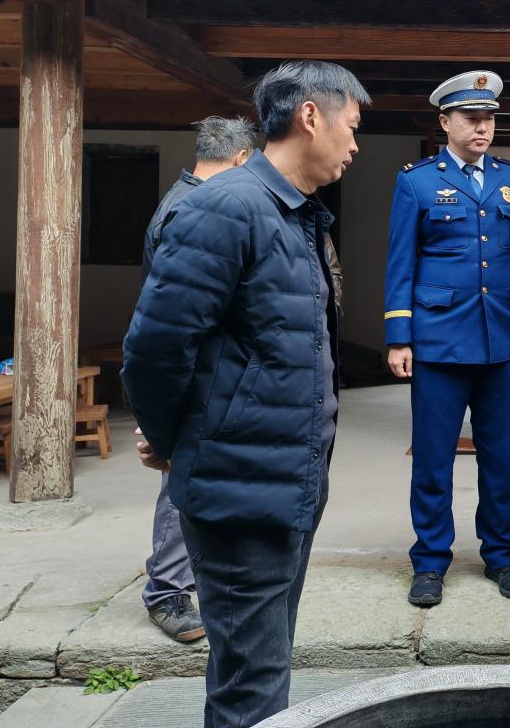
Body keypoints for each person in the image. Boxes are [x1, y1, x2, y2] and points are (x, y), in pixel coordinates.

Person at [122, 61, 369, 727]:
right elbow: (155, 348)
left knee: (264, 664)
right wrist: (172, 441)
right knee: (250, 686)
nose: (355, 144)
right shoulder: (226, 207)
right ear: (310, 116)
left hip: (285, 482)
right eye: (350, 126)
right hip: (239, 489)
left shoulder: (296, 214)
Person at [384, 70, 510, 608]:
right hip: (437, 342)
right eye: (471, 119)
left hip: (501, 339)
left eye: (489, 119)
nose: (482, 128)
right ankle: (430, 561)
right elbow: (400, 262)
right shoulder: (416, 182)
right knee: (433, 460)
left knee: (500, 458)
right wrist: (399, 337)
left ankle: (502, 556)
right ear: (445, 122)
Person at [137, 115, 255, 644]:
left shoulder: (186, 197)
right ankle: (166, 592)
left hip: (207, 368)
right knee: (179, 481)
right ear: (242, 158)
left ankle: (199, 579)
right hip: (193, 370)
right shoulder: (194, 208)